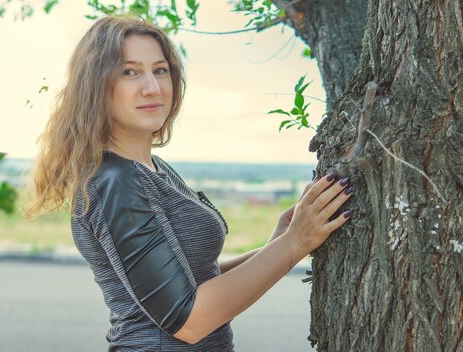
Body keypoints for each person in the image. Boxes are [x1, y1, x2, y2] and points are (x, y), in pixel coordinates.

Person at [26, 15, 353, 351]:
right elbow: (188, 321)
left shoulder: (151, 168)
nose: (152, 87)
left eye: (160, 70)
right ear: (96, 84)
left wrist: (281, 241)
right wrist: (294, 243)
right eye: (130, 71)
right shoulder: (116, 183)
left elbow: (194, 280)